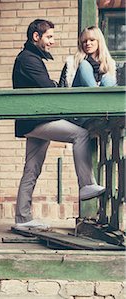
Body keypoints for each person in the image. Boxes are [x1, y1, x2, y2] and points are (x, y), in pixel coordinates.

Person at [12, 19, 105, 229]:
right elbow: (49, 88)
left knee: (31, 170)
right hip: (37, 121)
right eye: (49, 37)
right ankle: (86, 184)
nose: (52, 41)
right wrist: (56, 85)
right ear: (36, 37)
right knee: (80, 134)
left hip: (32, 122)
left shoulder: (30, 57)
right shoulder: (29, 60)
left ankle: (22, 218)